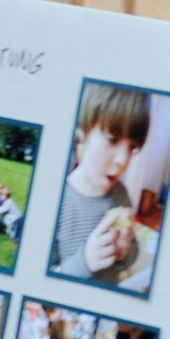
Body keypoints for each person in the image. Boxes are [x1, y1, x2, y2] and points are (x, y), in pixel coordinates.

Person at [50, 85, 148, 284]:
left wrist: (124, 253)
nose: (123, 160)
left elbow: (134, 246)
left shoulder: (121, 194)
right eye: (112, 140)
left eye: (132, 148)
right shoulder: (55, 201)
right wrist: (84, 262)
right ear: (83, 133)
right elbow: (41, 286)